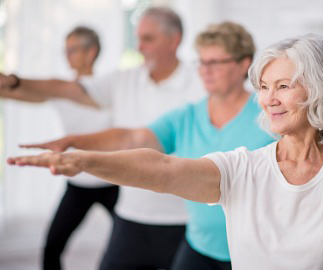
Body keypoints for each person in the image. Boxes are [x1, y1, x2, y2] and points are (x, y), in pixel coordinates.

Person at [8, 34, 323, 270]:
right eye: (264, 88)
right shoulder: (242, 168)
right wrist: (85, 158)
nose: (268, 99)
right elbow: (159, 166)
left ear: (322, 91)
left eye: (284, 86)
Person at [17, 22, 274, 270]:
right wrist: (75, 143)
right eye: (201, 62)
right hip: (200, 247)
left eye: (215, 62)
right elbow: (134, 138)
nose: (205, 70)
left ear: (244, 64)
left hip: (253, 250)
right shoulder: (187, 116)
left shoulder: (269, 117)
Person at [2, 7, 205, 270]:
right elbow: (63, 88)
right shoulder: (123, 80)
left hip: (183, 218)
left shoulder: (201, 82)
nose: (139, 46)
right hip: (131, 214)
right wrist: (14, 82)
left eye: (148, 39)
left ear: (174, 40)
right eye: (138, 38)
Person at [0, 26, 118, 270]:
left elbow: (60, 88)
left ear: (91, 51)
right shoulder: (59, 91)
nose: (67, 56)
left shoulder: (108, 87)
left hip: (112, 182)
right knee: (52, 247)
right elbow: (17, 93)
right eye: (65, 50)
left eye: (72, 50)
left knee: (127, 246)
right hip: (78, 184)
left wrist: (13, 80)